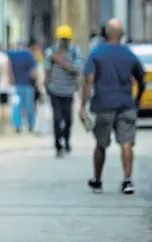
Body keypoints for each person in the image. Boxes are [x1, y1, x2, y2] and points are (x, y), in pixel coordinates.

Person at [79, 18, 145, 195]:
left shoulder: (96, 53)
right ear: (122, 35)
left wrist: (82, 105)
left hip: (103, 105)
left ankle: (98, 181)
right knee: (127, 143)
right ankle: (127, 181)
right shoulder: (129, 54)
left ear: (106, 34)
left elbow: (89, 80)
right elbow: (142, 79)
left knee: (101, 145)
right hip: (126, 105)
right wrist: (137, 99)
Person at [44, 25, 82, 157]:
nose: (64, 42)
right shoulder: (50, 52)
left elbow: (76, 69)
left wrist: (59, 60)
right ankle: (58, 145)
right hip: (55, 90)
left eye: (66, 39)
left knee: (68, 120)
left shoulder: (75, 52)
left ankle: (66, 140)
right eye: (62, 39)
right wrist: (45, 86)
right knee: (57, 119)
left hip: (69, 90)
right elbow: (47, 70)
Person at [7, 40, 39, 132]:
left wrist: (10, 79)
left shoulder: (11, 54)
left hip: (16, 85)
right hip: (28, 85)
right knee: (29, 106)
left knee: (16, 106)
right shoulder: (29, 55)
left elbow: (8, 67)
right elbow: (35, 70)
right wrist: (37, 82)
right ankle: (31, 125)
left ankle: (18, 125)